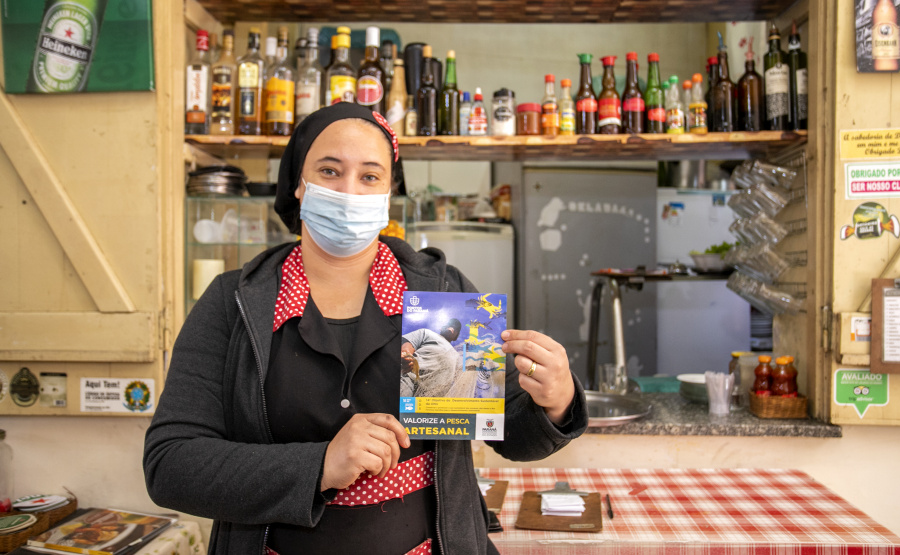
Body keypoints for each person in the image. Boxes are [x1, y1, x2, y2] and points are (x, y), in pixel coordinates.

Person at [144, 103, 588, 555]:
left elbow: (509, 431)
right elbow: (170, 464)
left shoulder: (440, 293)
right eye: (330, 171)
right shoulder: (234, 303)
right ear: (298, 183)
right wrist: (319, 465)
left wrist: (555, 401)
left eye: (370, 176)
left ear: (389, 192)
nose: (349, 191)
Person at [400, 318, 464, 398]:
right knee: (403, 406)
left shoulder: (457, 356)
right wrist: (406, 355)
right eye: (449, 325)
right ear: (441, 328)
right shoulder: (427, 333)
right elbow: (407, 343)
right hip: (409, 379)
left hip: (433, 396)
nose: (451, 328)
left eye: (456, 329)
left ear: (456, 336)